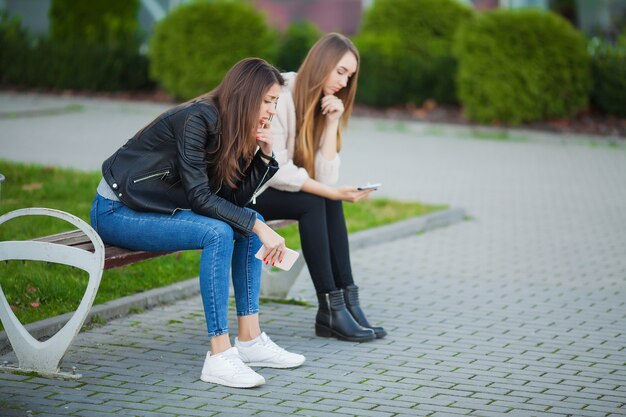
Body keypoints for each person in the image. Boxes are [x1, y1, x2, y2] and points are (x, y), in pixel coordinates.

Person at [90, 58, 305, 389]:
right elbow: (201, 199)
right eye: (267, 100)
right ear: (246, 95)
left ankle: (250, 340)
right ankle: (219, 355)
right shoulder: (197, 119)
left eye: (275, 101)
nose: (272, 110)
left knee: (250, 224)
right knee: (220, 232)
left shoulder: (234, 125)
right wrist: (258, 226)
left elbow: (233, 201)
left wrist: (263, 155)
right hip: (117, 211)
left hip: (156, 209)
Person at [250, 33, 386, 342]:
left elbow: (326, 180)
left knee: (327, 199)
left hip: (271, 188)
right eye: (340, 71)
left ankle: (345, 303)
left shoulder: (321, 104)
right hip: (247, 191)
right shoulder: (282, 94)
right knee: (315, 201)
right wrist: (331, 192)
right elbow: (275, 170)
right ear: (322, 62)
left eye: (349, 76)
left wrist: (332, 123)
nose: (344, 81)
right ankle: (329, 309)